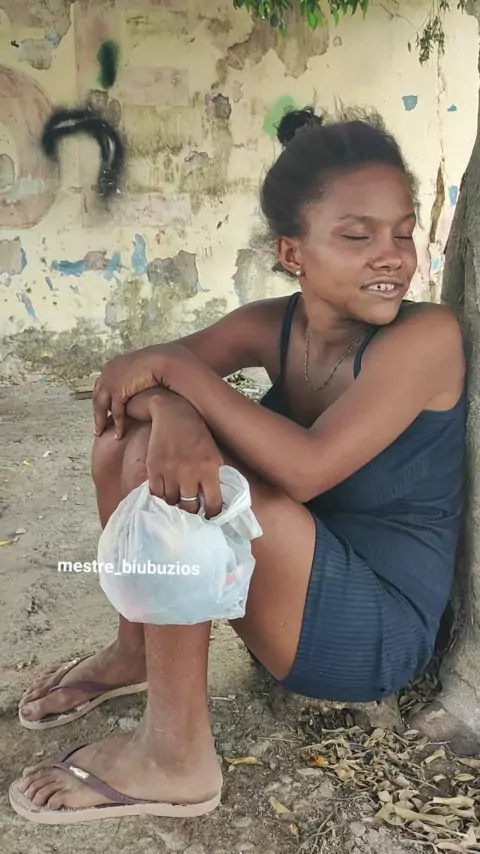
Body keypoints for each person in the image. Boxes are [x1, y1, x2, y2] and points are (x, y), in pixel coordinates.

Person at [9, 107, 466, 824]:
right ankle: (135, 649)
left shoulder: (427, 338)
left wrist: (180, 380)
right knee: (130, 443)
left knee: (188, 483)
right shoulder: (271, 325)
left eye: (404, 233)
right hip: (296, 581)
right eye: (358, 236)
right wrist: (174, 410)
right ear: (293, 253)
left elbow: (307, 470)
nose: (392, 257)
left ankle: (177, 758)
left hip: (373, 629)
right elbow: (123, 383)